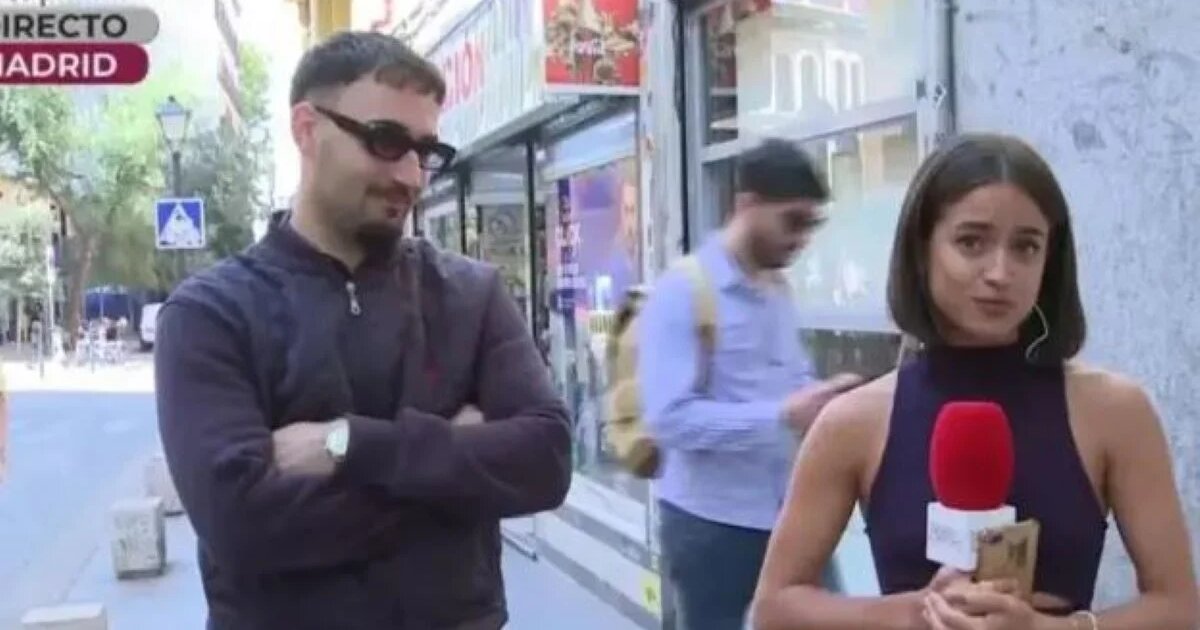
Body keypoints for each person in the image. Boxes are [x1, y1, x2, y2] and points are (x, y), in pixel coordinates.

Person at [154, 31, 572, 629]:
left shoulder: (470, 293)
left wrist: (351, 444)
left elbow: (546, 461)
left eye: (425, 150)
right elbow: (242, 525)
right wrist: (457, 470)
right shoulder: (209, 314)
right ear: (306, 129)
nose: (412, 176)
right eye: (385, 142)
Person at [751, 133, 1199, 629]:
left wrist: (1053, 629)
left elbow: (1179, 608)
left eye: (1026, 246)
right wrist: (912, 613)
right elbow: (775, 608)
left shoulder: (1115, 412)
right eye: (971, 242)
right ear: (923, 249)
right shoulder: (855, 420)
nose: (1000, 272)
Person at [636, 138, 864, 630]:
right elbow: (668, 419)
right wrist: (781, 417)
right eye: (793, 221)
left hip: (789, 514)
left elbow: (790, 381)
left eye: (812, 225)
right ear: (748, 205)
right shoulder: (683, 290)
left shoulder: (776, 288)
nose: (801, 239)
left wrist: (827, 400)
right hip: (710, 524)